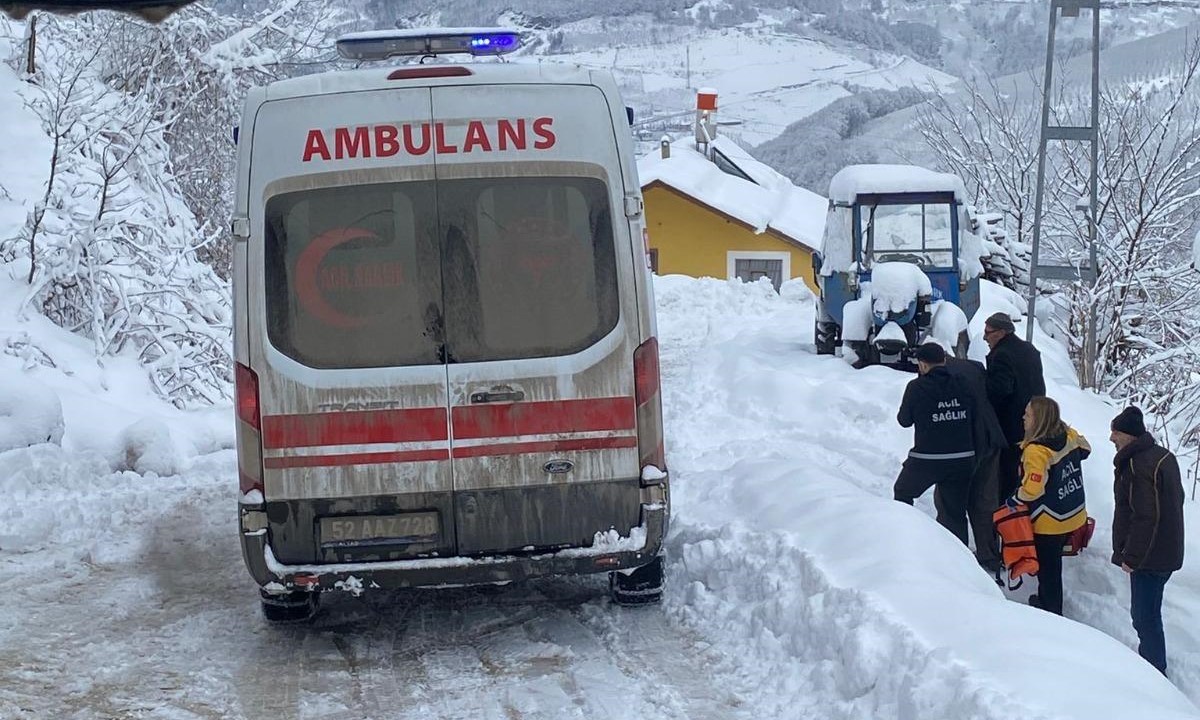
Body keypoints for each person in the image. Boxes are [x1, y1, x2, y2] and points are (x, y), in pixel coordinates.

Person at [1110, 405, 1184, 676]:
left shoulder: (1136, 465)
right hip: (1167, 549)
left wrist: (1132, 557)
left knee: (1144, 617)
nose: (1111, 438)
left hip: (1149, 557)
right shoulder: (1163, 456)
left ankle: (1154, 673)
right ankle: (1152, 663)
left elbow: (1144, 516)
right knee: (1149, 613)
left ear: (1127, 435)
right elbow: (1177, 500)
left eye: (1115, 432)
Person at [1013, 396, 1089, 616]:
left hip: (1050, 521)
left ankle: (1051, 611)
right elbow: (1086, 449)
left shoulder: (1036, 451)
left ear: (1039, 420)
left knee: (1049, 570)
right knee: (1053, 563)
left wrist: (1017, 496)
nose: (1023, 417)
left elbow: (1033, 489)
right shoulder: (1069, 435)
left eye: (1028, 414)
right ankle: (1048, 599)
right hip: (1073, 512)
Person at [895, 343, 976, 544]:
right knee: (955, 512)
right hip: (962, 458)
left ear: (922, 365)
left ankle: (907, 540)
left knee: (903, 493)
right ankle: (959, 558)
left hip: (927, 458)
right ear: (944, 361)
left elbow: (904, 420)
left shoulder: (917, 387)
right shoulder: (963, 383)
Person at [946, 355, 1008, 578]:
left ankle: (955, 555)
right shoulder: (974, 367)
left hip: (967, 443)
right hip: (991, 438)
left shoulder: (945, 376)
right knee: (985, 500)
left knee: (949, 502)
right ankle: (989, 554)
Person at [983, 312, 1046, 502]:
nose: (985, 337)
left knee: (1008, 473)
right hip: (1036, 419)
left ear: (1001, 333)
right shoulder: (1028, 349)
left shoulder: (1002, 354)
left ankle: (1008, 514)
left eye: (988, 332)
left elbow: (1000, 390)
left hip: (1011, 425)